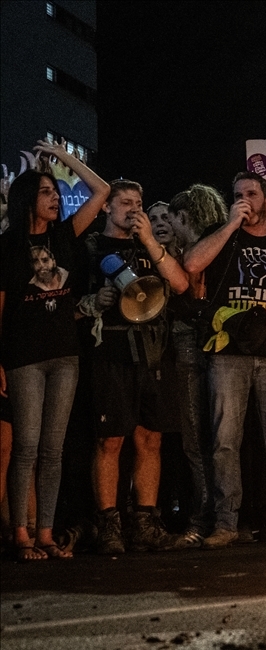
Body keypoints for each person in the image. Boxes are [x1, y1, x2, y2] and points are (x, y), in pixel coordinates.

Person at [184, 172, 266, 549]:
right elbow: (192, 264)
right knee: (225, 440)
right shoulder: (222, 235)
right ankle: (226, 523)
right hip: (228, 352)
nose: (245, 200)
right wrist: (229, 225)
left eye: (252, 194)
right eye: (238, 195)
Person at [0, 141, 110, 561]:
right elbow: (2, 308)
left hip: (65, 355)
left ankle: (45, 533)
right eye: (46, 191)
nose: (55, 197)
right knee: (26, 447)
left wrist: (62, 159)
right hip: (23, 357)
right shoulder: (8, 248)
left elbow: (100, 191)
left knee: (53, 448)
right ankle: (21, 534)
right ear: (27, 198)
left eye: (55, 191)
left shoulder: (65, 236)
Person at [81, 178, 189, 554]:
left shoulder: (152, 247)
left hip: (154, 353)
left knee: (150, 438)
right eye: (124, 202)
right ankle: (109, 524)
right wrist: (94, 300)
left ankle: (146, 523)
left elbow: (179, 282)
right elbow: (70, 304)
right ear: (106, 207)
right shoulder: (93, 248)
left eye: (138, 202)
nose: (133, 208)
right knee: (109, 440)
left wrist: (149, 242)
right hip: (111, 351)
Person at [155, 185, 228, 547]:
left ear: (185, 217)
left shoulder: (205, 248)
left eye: (173, 219)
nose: (171, 225)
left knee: (198, 439)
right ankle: (221, 518)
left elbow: (190, 277)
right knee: (216, 438)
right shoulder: (225, 241)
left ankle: (204, 520)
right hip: (217, 339)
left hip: (193, 338)